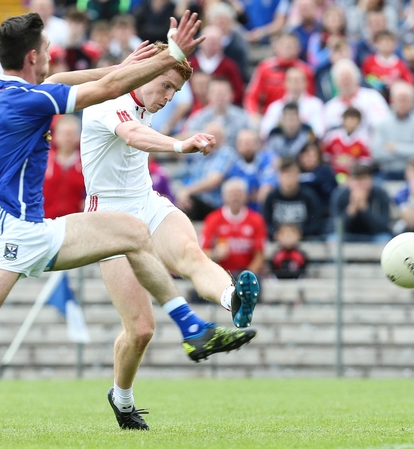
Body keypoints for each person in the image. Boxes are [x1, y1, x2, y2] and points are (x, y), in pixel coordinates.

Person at [0, 11, 257, 439]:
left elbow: (82, 78)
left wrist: (130, 66)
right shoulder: (30, 99)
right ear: (34, 57)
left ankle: (193, 328)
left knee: (131, 232)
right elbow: (105, 89)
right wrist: (173, 56)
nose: (55, 56)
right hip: (11, 229)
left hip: (35, 227)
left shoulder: (6, 91)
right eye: (49, 50)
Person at [78, 42, 260, 428]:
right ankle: (121, 399)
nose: (167, 98)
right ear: (143, 74)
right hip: (107, 220)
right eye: (164, 86)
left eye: (174, 93)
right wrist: (181, 144)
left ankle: (234, 300)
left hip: (147, 202)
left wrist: (174, 45)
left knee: (192, 255)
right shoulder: (106, 102)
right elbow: (133, 135)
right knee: (141, 330)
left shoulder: (143, 101)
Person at [200, 178, 266, 275]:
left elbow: (259, 255)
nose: (235, 197)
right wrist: (215, 254)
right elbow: (203, 252)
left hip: (247, 274)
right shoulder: (213, 219)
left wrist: (247, 276)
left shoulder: (256, 220)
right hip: (220, 274)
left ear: (246, 196)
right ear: (224, 196)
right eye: (231, 193)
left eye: (239, 193)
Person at [244, 33, 315, 120]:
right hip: (269, 117)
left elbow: (310, 98)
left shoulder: (305, 71)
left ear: (298, 49)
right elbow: (251, 96)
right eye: (284, 45)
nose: (288, 49)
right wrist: (254, 114)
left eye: (292, 46)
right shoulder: (264, 68)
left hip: (298, 118)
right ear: (277, 47)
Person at [371, 81, 414, 181]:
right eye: (400, 99)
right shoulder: (382, 122)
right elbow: (377, 153)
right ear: (392, 100)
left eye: (406, 99)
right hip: (386, 172)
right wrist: (409, 151)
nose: (403, 103)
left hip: (413, 174)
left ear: (412, 101)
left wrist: (395, 148)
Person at [262, 157, 323, 241]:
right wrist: (277, 233)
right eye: (285, 173)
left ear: (298, 175)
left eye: (292, 173)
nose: (288, 177)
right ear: (279, 176)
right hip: (277, 241)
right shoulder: (271, 197)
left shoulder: (309, 196)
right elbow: (265, 223)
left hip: (304, 241)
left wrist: (299, 233)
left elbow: (316, 223)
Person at [182, 77, 253, 149]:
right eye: (215, 93)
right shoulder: (197, 119)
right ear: (208, 94)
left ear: (232, 94)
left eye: (223, 93)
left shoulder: (243, 118)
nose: (219, 97)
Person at [328, 164, 391, 243]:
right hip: (347, 235)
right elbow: (336, 227)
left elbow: (383, 226)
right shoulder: (339, 195)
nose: (360, 185)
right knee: (334, 239)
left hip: (373, 235)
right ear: (349, 182)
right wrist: (352, 208)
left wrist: (364, 208)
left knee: (384, 239)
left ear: (371, 180)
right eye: (356, 180)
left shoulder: (380, 194)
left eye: (363, 180)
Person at [258, 67, 325, 139]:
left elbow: (319, 131)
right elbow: (265, 131)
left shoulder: (316, 105)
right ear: (285, 83)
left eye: (298, 80)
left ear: (306, 83)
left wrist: (304, 142)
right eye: (292, 80)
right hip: (281, 145)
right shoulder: (275, 107)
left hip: (306, 145)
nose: (295, 84)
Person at [186, 25, 245, 105]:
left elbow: (238, 92)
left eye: (215, 42)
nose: (211, 45)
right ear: (200, 42)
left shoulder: (229, 66)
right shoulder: (190, 64)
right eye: (208, 41)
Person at [43, 116, 85, 218]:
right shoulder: (44, 161)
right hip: (46, 221)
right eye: (64, 133)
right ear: (55, 136)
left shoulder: (85, 163)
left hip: (76, 222)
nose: (67, 137)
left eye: (71, 133)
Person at [361, 30, 414, 97]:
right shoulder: (369, 61)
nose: (386, 44)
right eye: (383, 42)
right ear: (376, 44)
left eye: (389, 42)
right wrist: (378, 83)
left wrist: (396, 83)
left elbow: (410, 81)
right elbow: (365, 78)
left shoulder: (400, 64)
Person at [322, 107, 371, 178]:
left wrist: (354, 162)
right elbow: (325, 156)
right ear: (343, 120)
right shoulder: (332, 136)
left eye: (354, 119)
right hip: (333, 175)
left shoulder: (364, 140)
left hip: (354, 176)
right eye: (348, 119)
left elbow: (367, 161)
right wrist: (334, 160)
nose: (351, 122)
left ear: (359, 122)